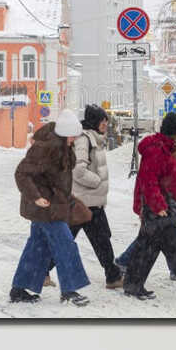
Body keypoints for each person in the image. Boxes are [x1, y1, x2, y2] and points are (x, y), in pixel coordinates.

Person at [120, 113, 176, 303]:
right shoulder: (156, 150)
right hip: (159, 209)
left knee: (147, 248)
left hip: (164, 207)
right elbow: (149, 181)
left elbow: (173, 181)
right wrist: (158, 205)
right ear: (174, 134)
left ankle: (132, 284)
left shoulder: (167, 149)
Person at [8, 119, 91, 306]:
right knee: (65, 245)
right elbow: (22, 173)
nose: (76, 138)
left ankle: (19, 289)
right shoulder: (47, 149)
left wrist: (68, 200)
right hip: (46, 207)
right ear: (64, 134)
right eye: (73, 135)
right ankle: (69, 291)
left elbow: (58, 180)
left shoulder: (62, 146)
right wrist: (36, 196)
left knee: (37, 247)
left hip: (53, 205)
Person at [68, 104, 123, 289]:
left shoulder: (95, 139)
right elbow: (78, 170)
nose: (105, 124)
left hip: (91, 202)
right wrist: (97, 181)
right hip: (84, 202)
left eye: (106, 121)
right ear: (94, 122)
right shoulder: (84, 139)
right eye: (103, 121)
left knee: (100, 239)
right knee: (73, 240)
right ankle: (113, 276)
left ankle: (113, 275)